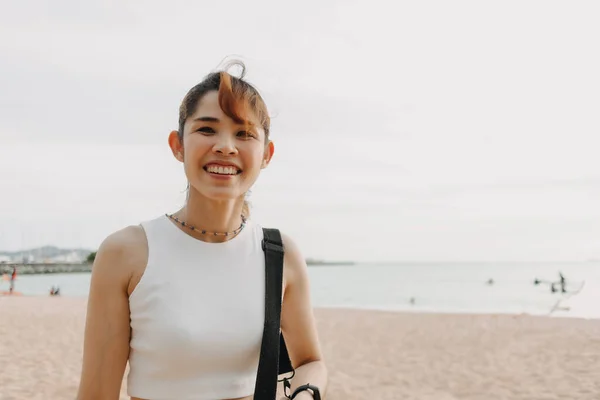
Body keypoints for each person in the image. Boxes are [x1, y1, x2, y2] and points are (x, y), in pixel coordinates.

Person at [76, 61, 328, 400]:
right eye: (207, 130)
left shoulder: (279, 254)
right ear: (177, 145)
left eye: (244, 133)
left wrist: (305, 393)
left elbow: (311, 362)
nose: (226, 146)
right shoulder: (127, 252)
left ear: (266, 153)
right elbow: (96, 394)